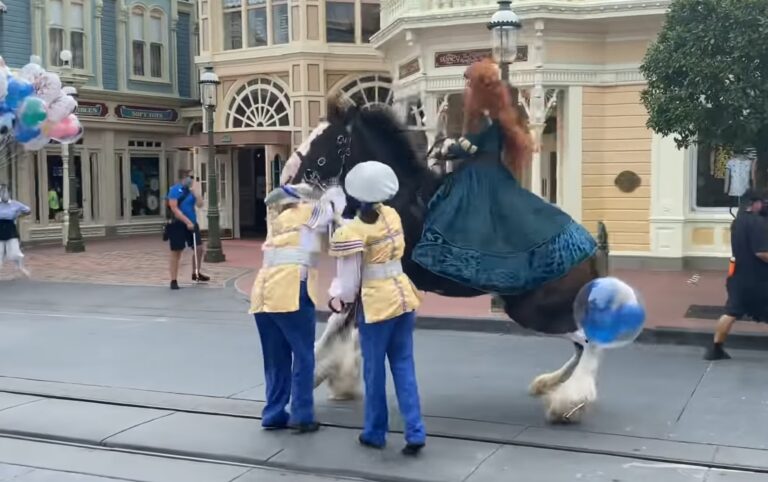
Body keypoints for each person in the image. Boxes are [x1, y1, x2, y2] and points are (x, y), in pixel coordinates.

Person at [412, 59, 597, 296]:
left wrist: (444, 148)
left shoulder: (483, 119)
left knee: (461, 219)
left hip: (479, 178)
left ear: (479, 89)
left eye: (469, 84)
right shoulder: (493, 116)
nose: (466, 89)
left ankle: (463, 274)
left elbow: (468, 147)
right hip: (485, 173)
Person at [328, 161, 426, 456]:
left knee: (374, 371)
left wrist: (339, 299)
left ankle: (375, 432)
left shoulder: (353, 232)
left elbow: (348, 281)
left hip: (376, 305)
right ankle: (415, 430)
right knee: (404, 366)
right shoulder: (393, 216)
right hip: (403, 297)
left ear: (356, 196)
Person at [249, 182, 333, 433]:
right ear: (301, 201)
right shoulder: (309, 214)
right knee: (304, 356)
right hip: (292, 292)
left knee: (276, 359)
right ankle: (302, 414)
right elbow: (332, 210)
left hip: (263, 295)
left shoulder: (275, 222)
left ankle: (273, 413)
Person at [704, 189, 768, 360]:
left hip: (739, 276)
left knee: (731, 312)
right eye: (761, 202)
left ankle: (715, 348)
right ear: (753, 204)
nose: (763, 205)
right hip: (758, 278)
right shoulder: (758, 223)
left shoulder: (738, 222)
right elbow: (761, 252)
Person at [166, 169, 208, 290]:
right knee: (176, 252)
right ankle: (173, 280)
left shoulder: (191, 191)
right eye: (191, 176)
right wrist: (186, 221)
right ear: (184, 177)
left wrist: (197, 193)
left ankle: (196, 273)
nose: (192, 179)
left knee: (199, 248)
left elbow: (200, 205)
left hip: (193, 222)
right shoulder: (175, 190)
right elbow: (174, 208)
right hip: (178, 223)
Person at [0, 184, 31, 277]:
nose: (4, 194)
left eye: (5, 191)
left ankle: (20, 267)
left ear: (9, 193)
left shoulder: (15, 204)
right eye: (2, 191)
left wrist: (19, 215)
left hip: (10, 229)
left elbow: (28, 210)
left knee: (14, 252)